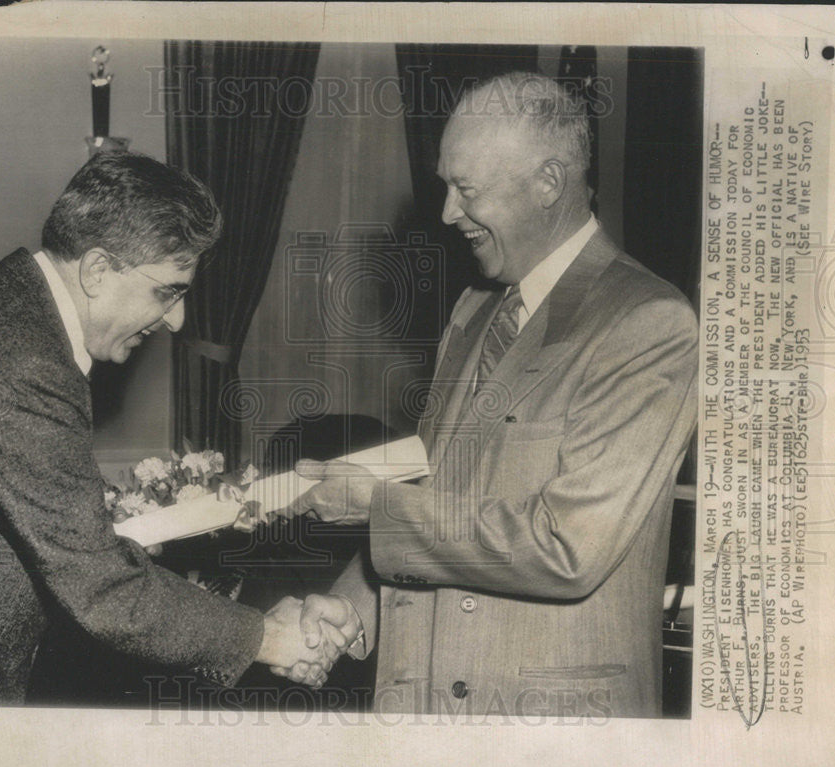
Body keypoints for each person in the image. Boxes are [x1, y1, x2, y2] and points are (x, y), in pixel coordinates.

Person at [277, 72, 699, 718]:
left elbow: (567, 546)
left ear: (549, 185)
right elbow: (432, 493)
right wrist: (353, 608)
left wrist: (374, 507)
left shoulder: (647, 322)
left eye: (465, 190)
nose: (446, 212)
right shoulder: (474, 311)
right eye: (446, 185)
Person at [0, 151, 325, 705]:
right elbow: (100, 587)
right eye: (167, 290)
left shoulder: (1, 312)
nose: (176, 319)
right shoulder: (22, 363)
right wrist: (269, 637)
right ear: (99, 270)